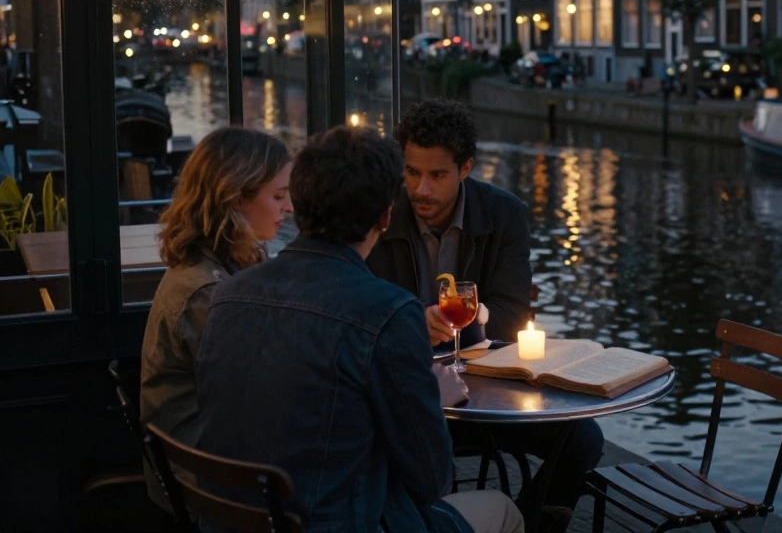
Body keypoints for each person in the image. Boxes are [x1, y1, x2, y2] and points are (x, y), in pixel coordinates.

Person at [196, 126, 522, 533]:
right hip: (333, 524)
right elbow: (432, 480)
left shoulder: (229, 294)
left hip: (234, 522)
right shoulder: (387, 313)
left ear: (299, 204)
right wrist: (432, 397)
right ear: (385, 216)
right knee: (503, 510)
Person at [367, 99, 603, 533]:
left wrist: (469, 320)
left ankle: (529, 524)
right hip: (404, 393)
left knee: (583, 438)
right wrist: (413, 322)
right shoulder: (381, 216)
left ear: (465, 168)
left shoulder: (503, 213)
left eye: (437, 175)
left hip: (482, 392)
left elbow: (512, 313)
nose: (421, 189)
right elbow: (361, 310)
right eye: (412, 172)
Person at [139, 126, 293, 507]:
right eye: (278, 196)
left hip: (210, 457)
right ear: (235, 198)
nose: (289, 208)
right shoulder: (206, 292)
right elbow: (265, 393)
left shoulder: (228, 258)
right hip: (207, 479)